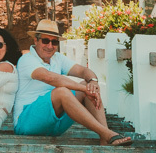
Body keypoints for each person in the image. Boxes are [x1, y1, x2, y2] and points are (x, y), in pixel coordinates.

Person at [12, 18, 132, 146]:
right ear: (35, 40)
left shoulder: (57, 58)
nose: (50, 46)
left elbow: (83, 71)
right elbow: (50, 78)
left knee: (87, 85)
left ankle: (104, 139)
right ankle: (108, 134)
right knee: (62, 92)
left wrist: (93, 82)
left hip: (53, 125)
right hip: (26, 123)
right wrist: (83, 89)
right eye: (45, 41)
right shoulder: (27, 60)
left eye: (54, 42)